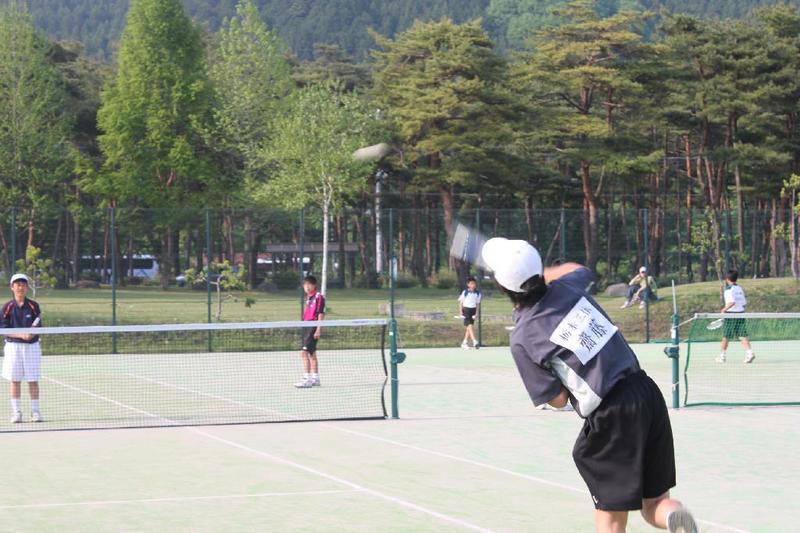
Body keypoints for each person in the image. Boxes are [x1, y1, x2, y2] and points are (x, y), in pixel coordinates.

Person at [481, 238, 697, 533]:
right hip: (646, 393)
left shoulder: (522, 337)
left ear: (503, 287)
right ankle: (674, 516)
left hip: (612, 415)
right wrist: (537, 271)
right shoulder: (568, 287)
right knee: (656, 503)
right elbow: (578, 268)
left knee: (610, 518)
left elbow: (557, 399)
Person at [1, 274, 43, 423]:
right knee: (15, 380)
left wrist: (31, 334)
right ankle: (17, 412)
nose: (21, 287)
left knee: (33, 380)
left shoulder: (33, 306)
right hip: (13, 347)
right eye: (18, 285)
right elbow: (3, 328)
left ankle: (35, 412)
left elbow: (38, 325)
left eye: (23, 285)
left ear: (27, 288)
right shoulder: (7, 307)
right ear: (12, 287)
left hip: (32, 348)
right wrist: (21, 335)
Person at [717, 270, 755, 364]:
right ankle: (750, 353)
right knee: (742, 335)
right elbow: (744, 303)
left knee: (726, 336)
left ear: (727, 279)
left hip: (730, 315)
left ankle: (722, 357)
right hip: (740, 313)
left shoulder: (728, 290)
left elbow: (731, 302)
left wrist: (723, 310)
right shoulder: (739, 288)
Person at [294, 275, 325, 388]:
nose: (306, 287)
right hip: (306, 327)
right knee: (312, 353)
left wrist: (318, 329)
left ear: (314, 285)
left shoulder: (318, 297)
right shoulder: (308, 298)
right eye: (305, 285)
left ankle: (307, 379)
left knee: (304, 353)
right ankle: (315, 378)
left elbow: (320, 313)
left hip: (312, 327)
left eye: (309, 284)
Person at [458, 276, 481, 349]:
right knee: (470, 325)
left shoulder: (478, 293)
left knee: (469, 327)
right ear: (468, 284)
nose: (473, 285)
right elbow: (461, 302)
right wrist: (460, 311)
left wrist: (476, 313)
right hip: (466, 310)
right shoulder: (465, 292)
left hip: (473, 310)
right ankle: (474, 341)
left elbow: (477, 304)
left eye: (474, 283)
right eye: (471, 283)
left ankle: (464, 343)